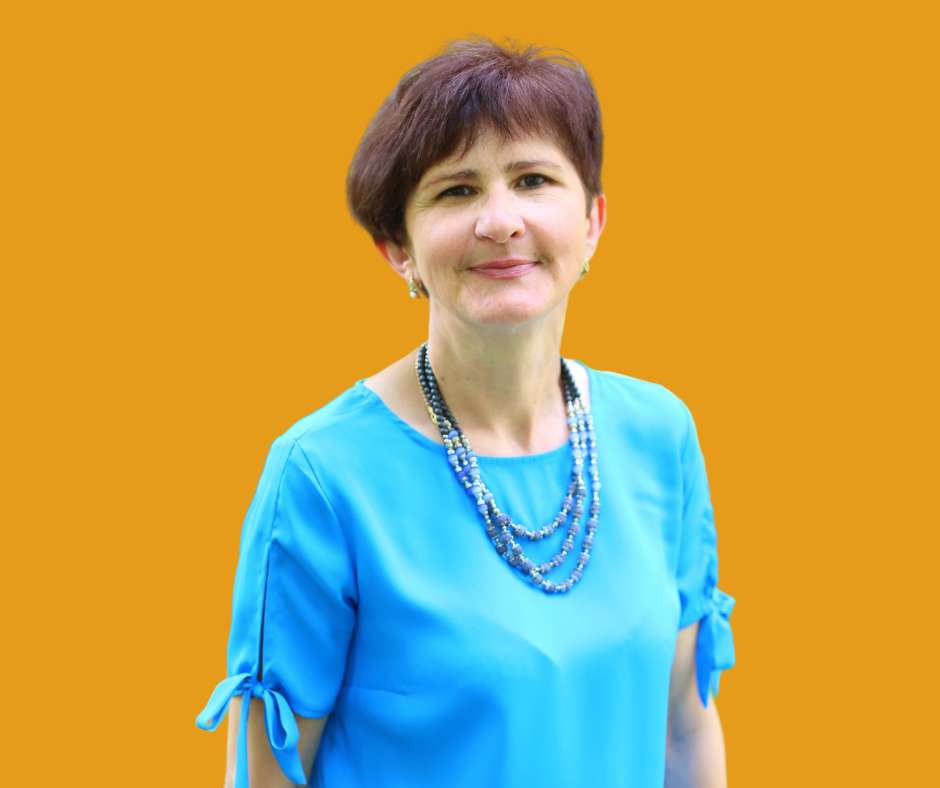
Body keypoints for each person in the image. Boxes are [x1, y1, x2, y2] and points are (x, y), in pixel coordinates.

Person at [195, 37, 736, 788]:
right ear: (398, 247)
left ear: (593, 221)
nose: (500, 220)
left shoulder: (659, 434)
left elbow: (683, 726)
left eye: (533, 179)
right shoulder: (321, 476)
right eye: (456, 191)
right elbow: (267, 777)